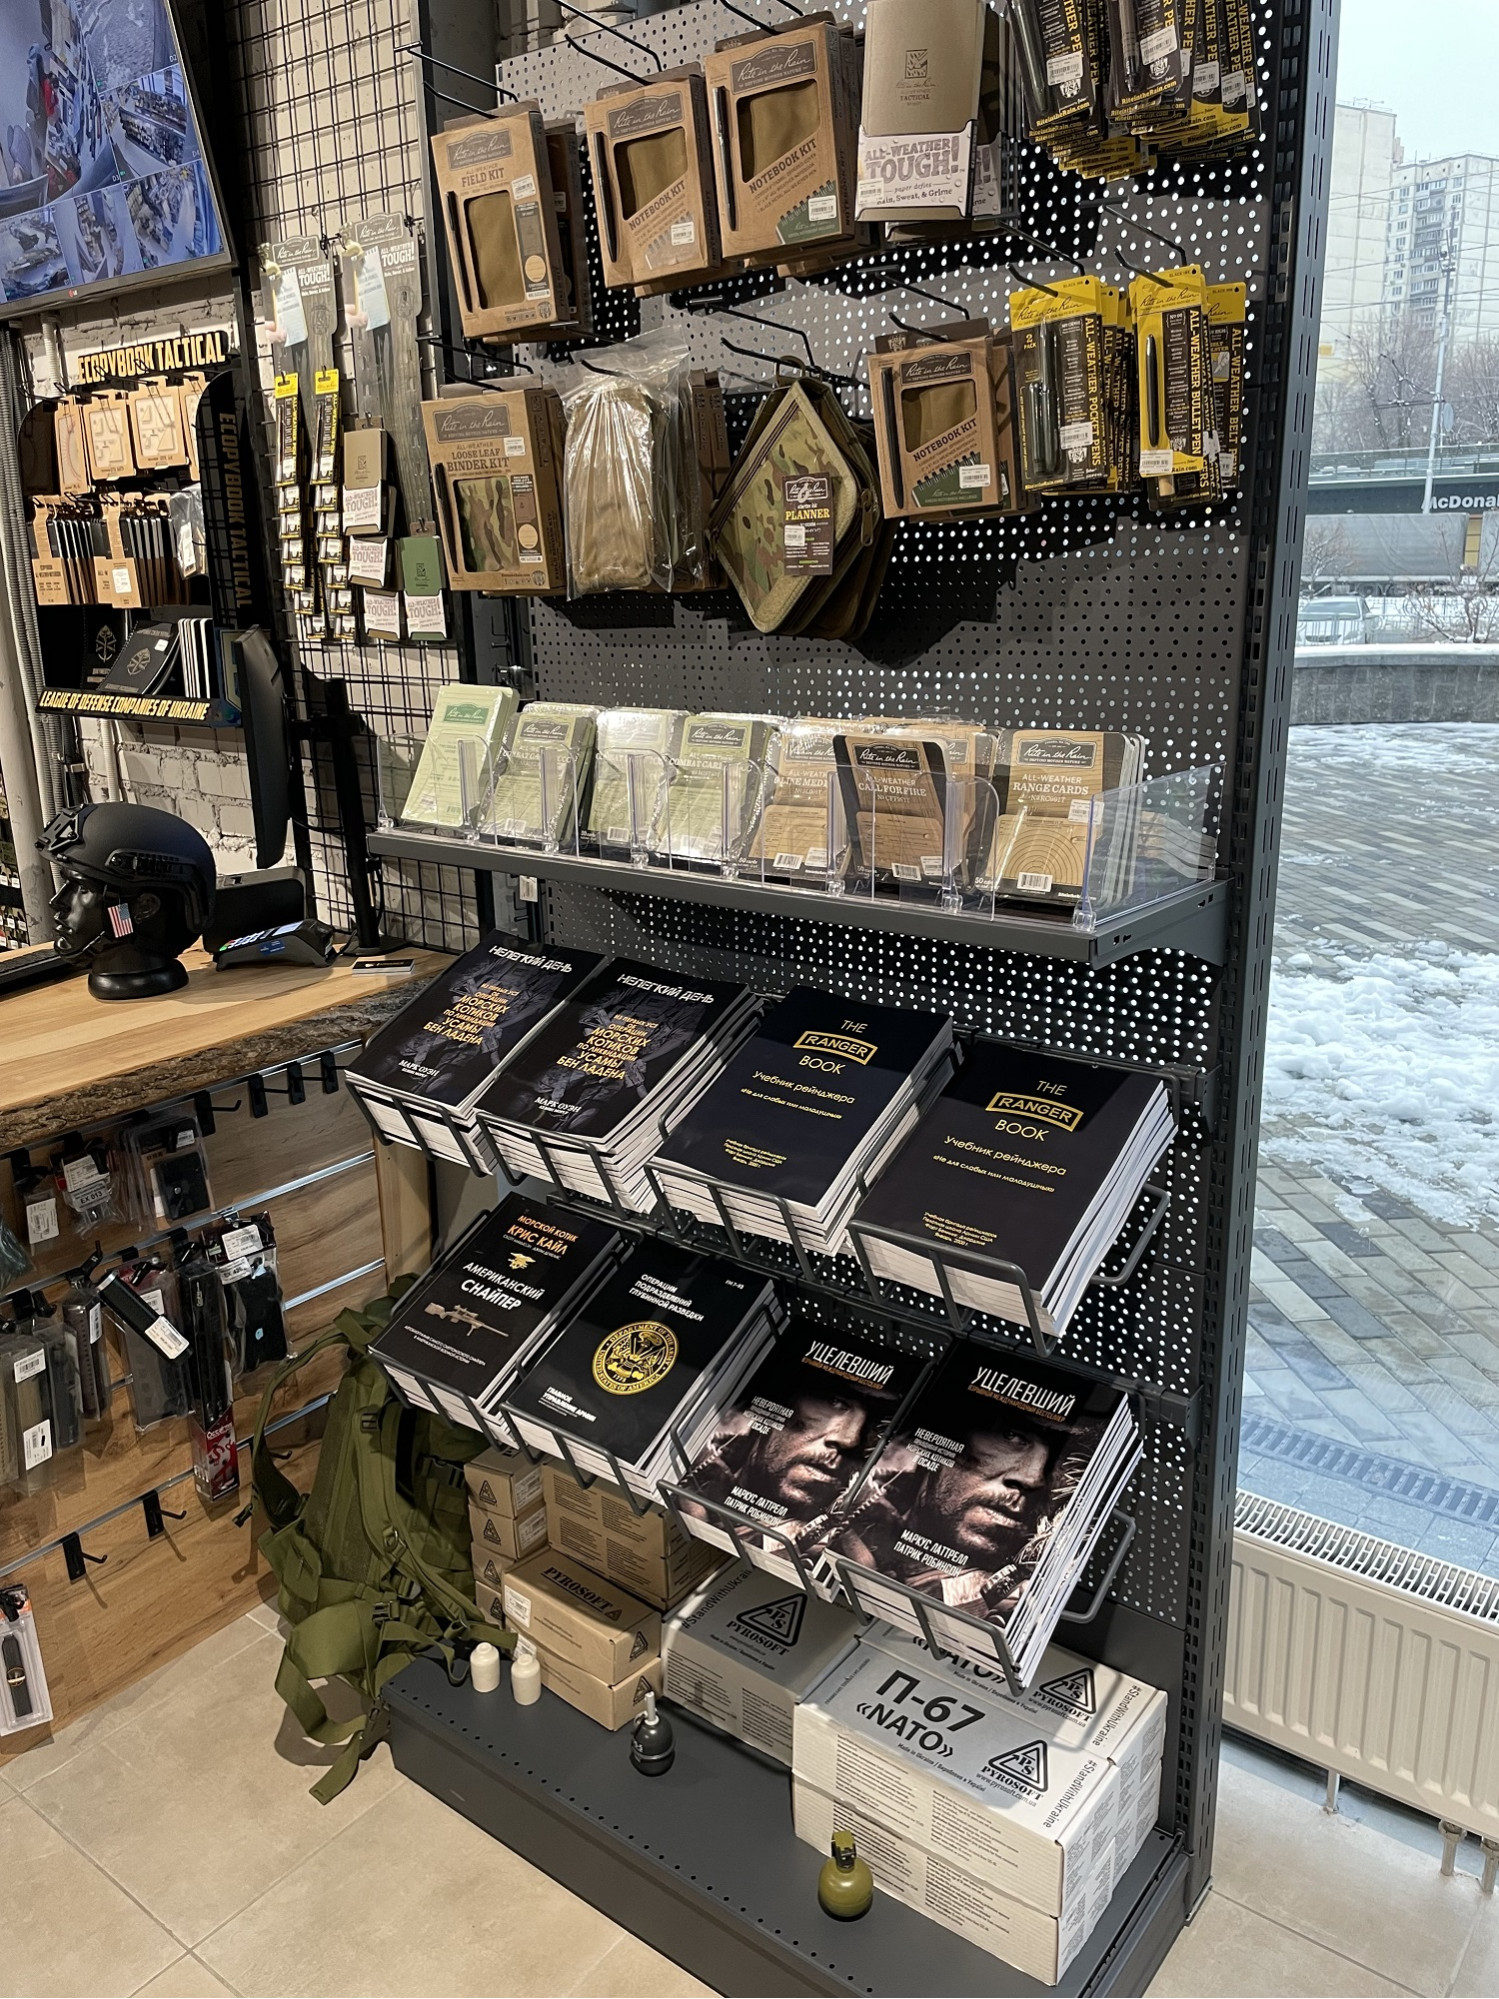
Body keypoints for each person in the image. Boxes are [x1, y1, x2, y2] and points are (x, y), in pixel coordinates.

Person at [827, 1409, 1083, 1614]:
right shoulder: (856, 1521)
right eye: (1012, 1435)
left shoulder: (1019, 1600)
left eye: (1057, 1458)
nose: (1034, 1478)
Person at [685, 1381, 879, 1549]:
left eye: (879, 1424)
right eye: (835, 1401)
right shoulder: (701, 1460)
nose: (850, 1439)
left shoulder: (862, 1526)